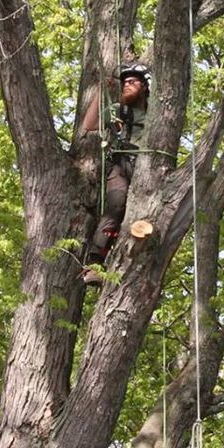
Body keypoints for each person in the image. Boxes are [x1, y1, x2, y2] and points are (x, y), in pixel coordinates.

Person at [79, 61, 149, 284]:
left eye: (132, 82)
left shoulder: (157, 112)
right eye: (124, 82)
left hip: (146, 165)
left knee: (144, 213)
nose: (126, 85)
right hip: (121, 163)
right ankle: (95, 264)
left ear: (145, 86)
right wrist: (101, 90)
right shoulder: (119, 110)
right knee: (116, 206)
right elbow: (89, 125)